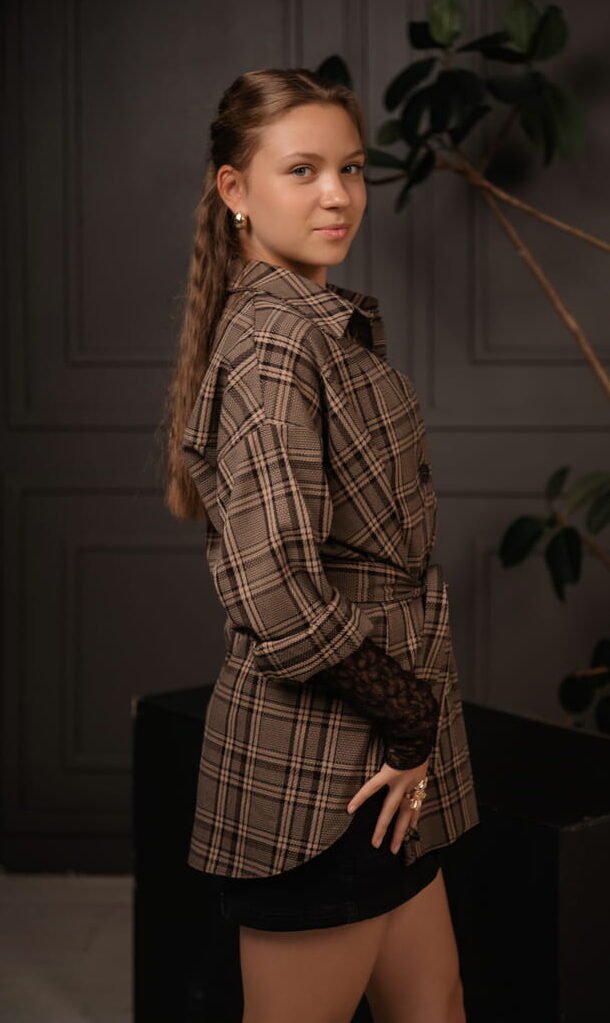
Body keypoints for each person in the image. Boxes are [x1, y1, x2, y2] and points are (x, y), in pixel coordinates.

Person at [161, 67, 480, 1023]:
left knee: (437, 1006)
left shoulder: (318, 327)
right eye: (302, 169)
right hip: (323, 778)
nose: (337, 195)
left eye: (351, 167)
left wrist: (410, 730)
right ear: (235, 188)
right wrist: (409, 717)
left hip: (380, 766)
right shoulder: (274, 345)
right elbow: (276, 590)